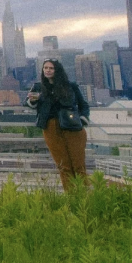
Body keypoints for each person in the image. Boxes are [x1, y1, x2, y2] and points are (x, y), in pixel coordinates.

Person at [27, 58, 91, 188]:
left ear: (57, 70)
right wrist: (34, 100)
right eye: (45, 68)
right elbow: (30, 104)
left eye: (51, 68)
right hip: (50, 128)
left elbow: (83, 104)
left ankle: (85, 198)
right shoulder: (38, 87)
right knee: (63, 166)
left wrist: (83, 119)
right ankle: (72, 199)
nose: (48, 70)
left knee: (78, 165)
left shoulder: (70, 86)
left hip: (72, 126)